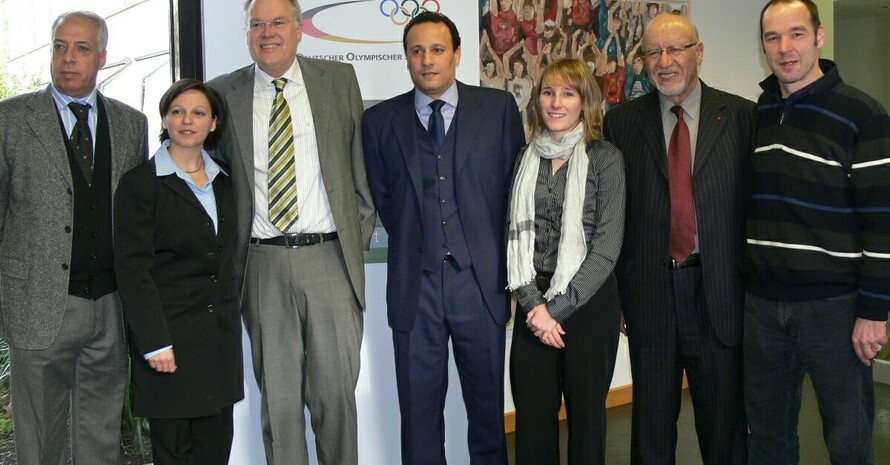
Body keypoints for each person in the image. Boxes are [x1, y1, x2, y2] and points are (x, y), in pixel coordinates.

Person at [206, 0, 376, 463]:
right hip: (261, 266)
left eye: (278, 22)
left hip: (329, 260)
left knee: (335, 400)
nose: (267, 32)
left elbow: (362, 174)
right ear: (247, 33)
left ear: (300, 30)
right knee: (278, 406)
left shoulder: (337, 81)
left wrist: (350, 250)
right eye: (256, 24)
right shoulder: (222, 93)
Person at [362, 11, 525, 465]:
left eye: (437, 50)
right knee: (417, 417)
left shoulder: (497, 111)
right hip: (416, 288)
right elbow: (386, 202)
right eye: (417, 51)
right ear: (407, 59)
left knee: (489, 415)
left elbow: (513, 190)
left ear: (456, 54)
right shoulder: (379, 121)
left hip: (481, 285)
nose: (427, 60)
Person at [602, 13, 753, 465]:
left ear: (699, 52)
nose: (664, 61)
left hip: (720, 295)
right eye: (653, 52)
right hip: (651, 295)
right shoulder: (622, 124)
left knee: (724, 427)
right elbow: (616, 219)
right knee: (650, 430)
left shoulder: (744, 117)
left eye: (675, 49)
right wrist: (622, 298)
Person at [0, 10, 147, 465]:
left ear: (101, 57)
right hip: (37, 304)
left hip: (109, 308)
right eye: (60, 46)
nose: (68, 58)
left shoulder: (131, 124)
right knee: (38, 440)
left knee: (101, 438)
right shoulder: (11, 119)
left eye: (82, 49)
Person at [745, 1, 890, 463]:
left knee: (848, 440)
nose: (785, 48)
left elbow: (882, 222)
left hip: (834, 310)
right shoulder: (761, 111)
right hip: (763, 306)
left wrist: (874, 312)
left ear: (819, 37)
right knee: (768, 437)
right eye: (772, 37)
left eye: (796, 34)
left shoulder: (862, 113)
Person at [114, 79, 242, 465]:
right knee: (174, 454)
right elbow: (133, 270)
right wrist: (154, 342)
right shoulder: (139, 185)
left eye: (199, 112)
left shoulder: (226, 182)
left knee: (214, 451)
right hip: (168, 344)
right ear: (165, 119)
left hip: (218, 346)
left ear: (214, 123)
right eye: (177, 111)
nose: (187, 120)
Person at [507, 58, 624, 465]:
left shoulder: (606, 158)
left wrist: (554, 311)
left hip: (590, 306)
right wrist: (533, 306)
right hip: (531, 302)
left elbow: (607, 247)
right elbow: (512, 238)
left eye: (568, 93)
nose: (556, 102)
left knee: (588, 423)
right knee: (533, 424)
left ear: (584, 102)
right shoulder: (525, 157)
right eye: (548, 92)